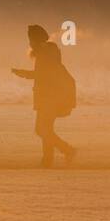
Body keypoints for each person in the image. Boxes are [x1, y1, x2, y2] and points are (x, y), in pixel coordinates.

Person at [11, 24, 77, 168]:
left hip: (52, 95)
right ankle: (47, 161)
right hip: (51, 94)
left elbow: (43, 75)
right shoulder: (46, 50)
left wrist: (23, 73)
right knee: (46, 129)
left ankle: (68, 150)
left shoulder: (45, 52)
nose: (29, 43)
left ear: (35, 39)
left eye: (30, 39)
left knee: (41, 129)